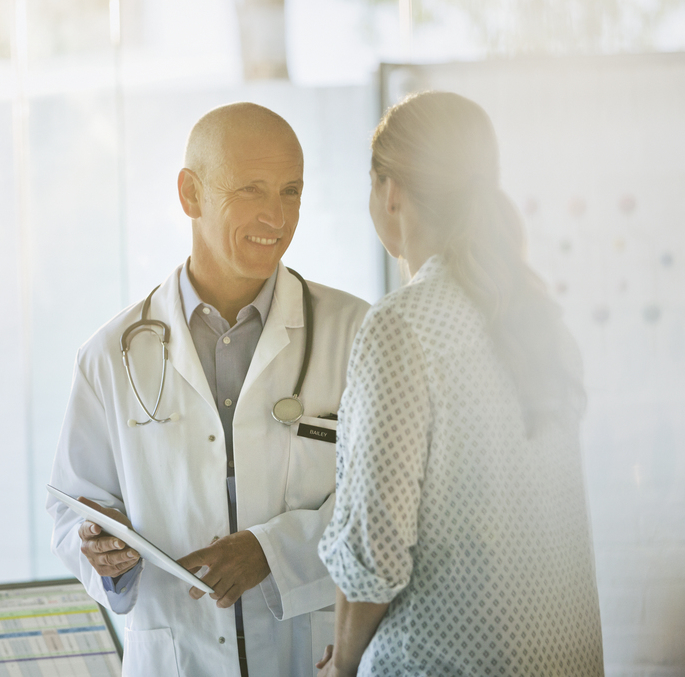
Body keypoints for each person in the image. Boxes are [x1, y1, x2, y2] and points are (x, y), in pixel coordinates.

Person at [47, 102, 369, 677]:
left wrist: (271, 552)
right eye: (252, 189)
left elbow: (387, 503)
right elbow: (73, 507)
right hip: (177, 657)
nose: (277, 216)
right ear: (190, 194)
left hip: (312, 654)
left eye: (291, 191)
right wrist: (101, 552)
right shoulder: (109, 354)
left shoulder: (357, 333)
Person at [316, 91, 605, 677]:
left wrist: (341, 666)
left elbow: (376, 551)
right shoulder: (539, 319)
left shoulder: (400, 327)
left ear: (389, 191)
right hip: (564, 658)